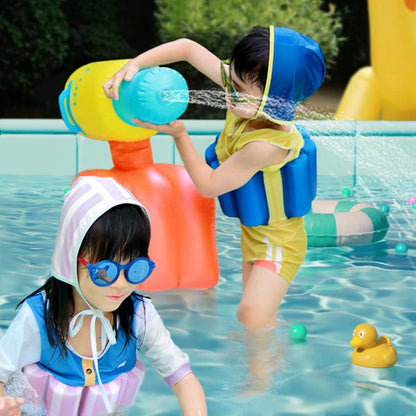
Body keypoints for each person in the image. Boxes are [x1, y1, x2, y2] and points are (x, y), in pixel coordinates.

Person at [103, 26, 325, 334]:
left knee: (250, 316)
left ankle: (270, 363)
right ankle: (268, 355)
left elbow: (208, 184)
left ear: (275, 101)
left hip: (279, 243)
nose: (229, 92)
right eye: (231, 80)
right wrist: (136, 64)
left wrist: (180, 135)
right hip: (254, 236)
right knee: (258, 319)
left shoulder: (267, 144)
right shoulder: (244, 95)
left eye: (239, 88)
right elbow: (187, 48)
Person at [0, 176, 207, 416]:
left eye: (135, 268)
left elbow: (183, 378)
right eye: (105, 271)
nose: (122, 284)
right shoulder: (37, 318)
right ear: (70, 260)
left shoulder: (138, 314)